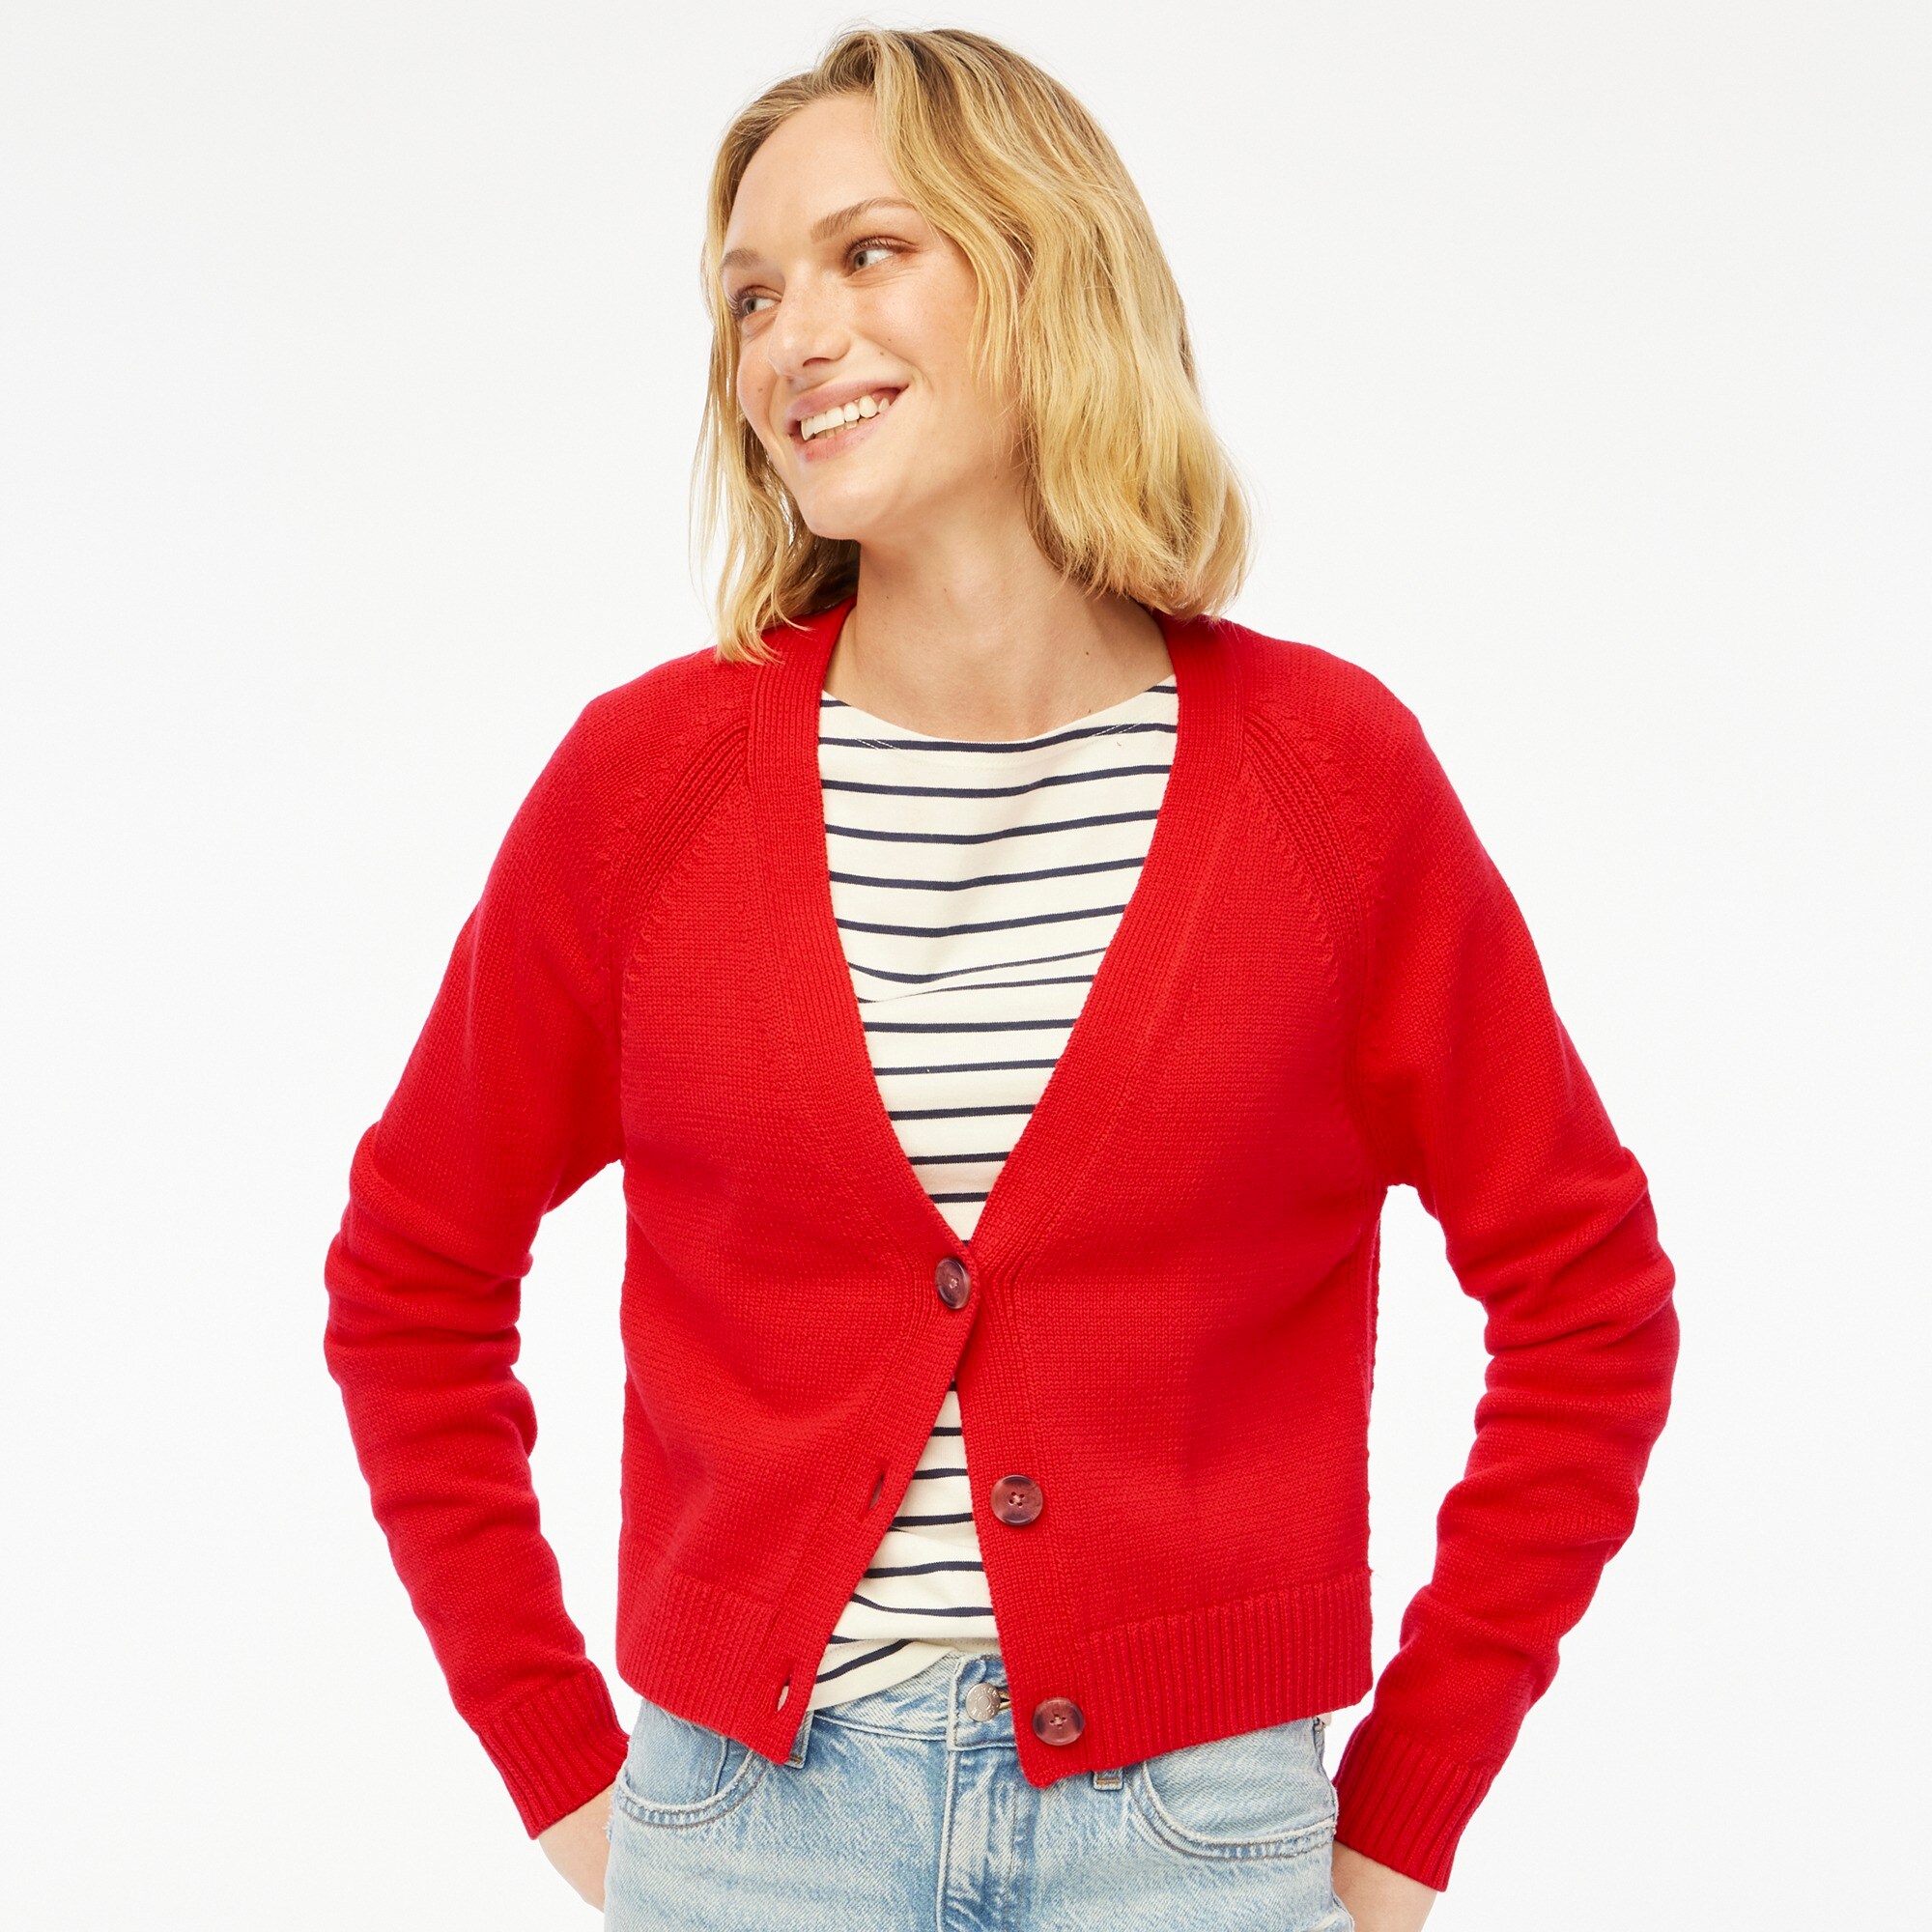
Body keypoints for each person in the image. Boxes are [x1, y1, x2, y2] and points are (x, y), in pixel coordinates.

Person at [323, 26, 1678, 1931]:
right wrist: (560, 1758)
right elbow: (411, 1272)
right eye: (750, 295)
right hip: (750, 1828)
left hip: (1190, 1842)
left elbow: (1587, 1296)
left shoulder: (1328, 783)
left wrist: (1400, 1809)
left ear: (1048, 270)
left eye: (867, 253)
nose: (791, 338)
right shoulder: (647, 789)